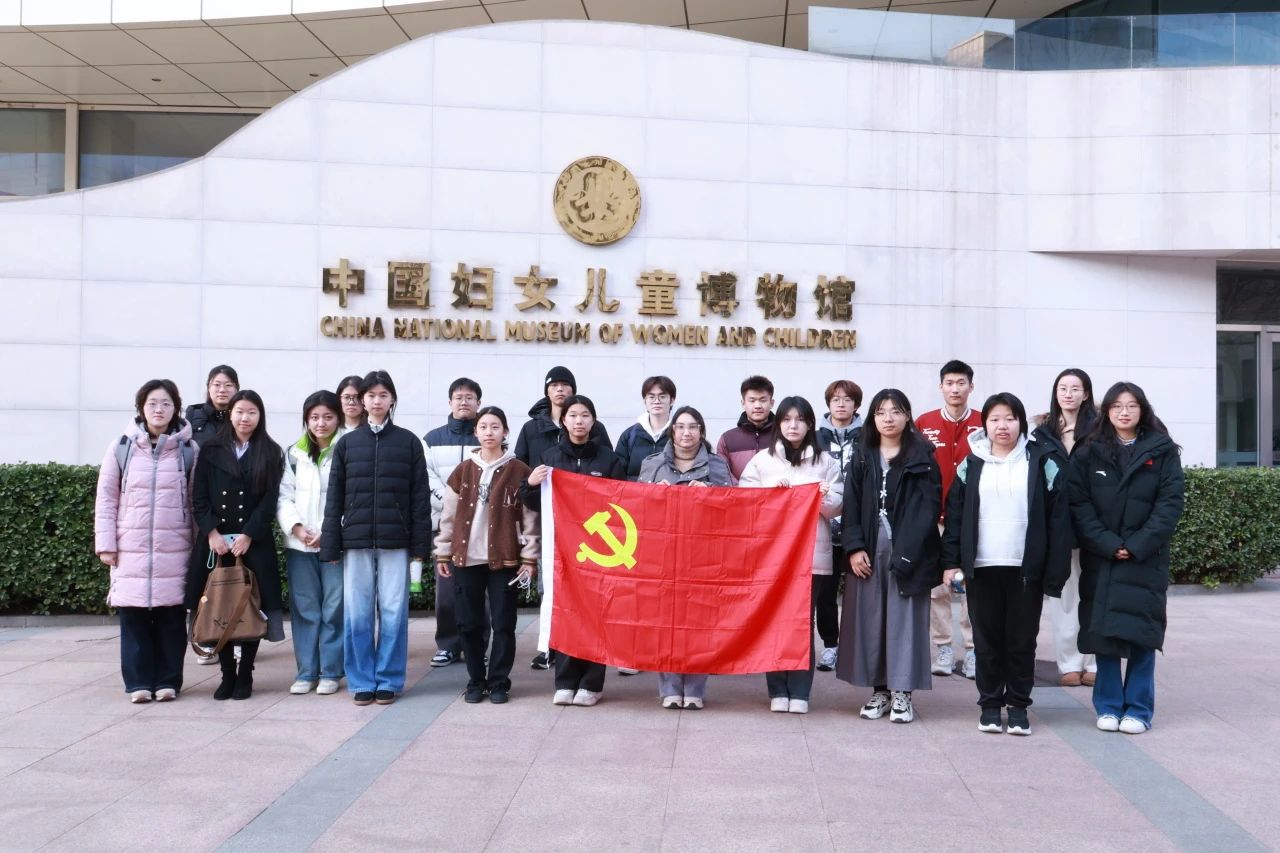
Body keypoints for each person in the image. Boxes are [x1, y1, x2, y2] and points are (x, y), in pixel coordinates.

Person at [942, 393, 1071, 736]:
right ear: (985, 424)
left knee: (1021, 641)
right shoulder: (972, 463)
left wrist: (1054, 569)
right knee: (986, 641)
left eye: (1010, 418)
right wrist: (951, 562)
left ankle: (1017, 707)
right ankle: (989, 706)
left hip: (1025, 568)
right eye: (995, 419)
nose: (1003, 426)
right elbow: (955, 516)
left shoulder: (1041, 461)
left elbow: (1059, 519)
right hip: (982, 566)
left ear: (1021, 423)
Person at [1068, 382, 1184, 736]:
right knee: (1103, 633)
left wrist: (1136, 545)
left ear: (1143, 409)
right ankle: (1107, 705)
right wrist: (1107, 543)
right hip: (1102, 557)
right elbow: (1078, 503)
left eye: (1132, 405)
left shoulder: (1162, 450)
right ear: (1106, 411)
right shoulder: (1088, 450)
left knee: (1142, 634)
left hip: (1145, 558)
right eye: (1117, 406)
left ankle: (1138, 709)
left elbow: (1170, 504)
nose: (1124, 412)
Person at [320, 370, 431, 707]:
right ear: (362, 400)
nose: (377, 401)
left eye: (383, 395)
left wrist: (420, 546)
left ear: (392, 399)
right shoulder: (347, 444)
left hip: (396, 540)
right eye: (371, 395)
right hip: (356, 541)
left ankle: (389, 678)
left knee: (394, 610)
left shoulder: (408, 442)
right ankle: (361, 680)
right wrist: (330, 542)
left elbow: (420, 498)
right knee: (357, 612)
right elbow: (334, 498)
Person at [836, 389, 941, 725]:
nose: (888, 418)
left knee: (904, 623)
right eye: (881, 412)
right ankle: (880, 691)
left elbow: (927, 509)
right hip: (868, 550)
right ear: (873, 418)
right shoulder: (862, 454)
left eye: (896, 411)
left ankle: (902, 694)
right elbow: (851, 503)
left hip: (908, 552)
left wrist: (907, 555)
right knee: (872, 622)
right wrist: (854, 548)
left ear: (907, 416)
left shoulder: (923, 455)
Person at [94, 379, 197, 703]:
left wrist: (199, 550)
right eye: (152, 403)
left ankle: (168, 681)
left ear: (175, 409)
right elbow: (106, 499)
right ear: (141, 407)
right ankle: (138, 682)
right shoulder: (121, 447)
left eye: (166, 403)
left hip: (175, 548)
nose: (158, 409)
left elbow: (197, 502)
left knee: (171, 619)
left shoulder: (188, 450)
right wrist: (106, 544)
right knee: (133, 618)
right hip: (131, 547)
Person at [739, 396, 843, 715]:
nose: (793, 425)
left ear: (810, 424)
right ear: (778, 423)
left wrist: (821, 497)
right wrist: (772, 491)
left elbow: (838, 506)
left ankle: (800, 691)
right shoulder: (762, 461)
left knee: (801, 623)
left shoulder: (826, 462)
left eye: (800, 419)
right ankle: (777, 690)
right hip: (772, 556)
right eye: (786, 419)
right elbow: (745, 502)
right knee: (774, 621)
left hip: (811, 555)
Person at [522, 394, 626, 706]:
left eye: (585, 415)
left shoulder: (610, 461)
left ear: (593, 421)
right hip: (562, 552)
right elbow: (532, 502)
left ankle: (592, 684)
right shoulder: (549, 458)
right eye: (573, 415)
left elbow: (624, 505)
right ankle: (565, 681)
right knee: (565, 613)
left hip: (600, 553)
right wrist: (530, 483)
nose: (579, 421)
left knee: (596, 615)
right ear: (563, 421)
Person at [434, 407, 539, 705]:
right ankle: (476, 680)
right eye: (483, 427)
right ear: (476, 432)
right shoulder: (463, 470)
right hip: (467, 559)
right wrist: (443, 553)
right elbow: (448, 517)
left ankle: (499, 682)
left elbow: (531, 520)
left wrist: (529, 558)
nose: (489, 432)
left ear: (505, 432)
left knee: (503, 624)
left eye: (495, 426)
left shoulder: (520, 470)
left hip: (505, 559)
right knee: (468, 624)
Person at [186, 390, 284, 701]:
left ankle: (246, 673)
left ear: (260, 416)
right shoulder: (211, 448)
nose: (245, 418)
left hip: (253, 542)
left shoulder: (270, 451)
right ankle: (227, 672)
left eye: (252, 412)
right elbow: (199, 496)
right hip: (216, 544)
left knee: (251, 605)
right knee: (219, 605)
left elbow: (270, 500)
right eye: (240, 411)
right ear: (230, 414)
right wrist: (212, 533)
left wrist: (249, 534)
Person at [637, 405, 733, 709]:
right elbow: (635, 508)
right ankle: (668, 688)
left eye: (693, 427)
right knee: (666, 621)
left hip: (703, 555)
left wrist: (710, 493)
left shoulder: (717, 466)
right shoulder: (652, 465)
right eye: (680, 427)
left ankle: (694, 688)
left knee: (698, 622)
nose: (686, 433)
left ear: (701, 432)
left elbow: (735, 508)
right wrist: (654, 495)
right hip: (663, 555)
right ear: (672, 431)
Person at [515, 365, 609, 670]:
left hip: (593, 530)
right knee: (553, 585)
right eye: (554, 384)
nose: (560, 389)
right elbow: (522, 471)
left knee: (590, 589)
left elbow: (612, 482)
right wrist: (531, 484)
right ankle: (552, 645)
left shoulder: (597, 432)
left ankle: (590, 645)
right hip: (553, 523)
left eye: (565, 384)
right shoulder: (532, 430)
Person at [1031, 368, 1099, 687]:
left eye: (1075, 388)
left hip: (1094, 522)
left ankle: (1095, 661)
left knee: (1095, 591)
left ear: (1086, 394)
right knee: (1063, 595)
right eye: (1062, 388)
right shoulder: (1042, 433)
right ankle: (1069, 663)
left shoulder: (1100, 430)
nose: (1068, 394)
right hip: (1056, 524)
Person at [277, 390, 346, 696]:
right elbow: (283, 496)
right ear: (306, 420)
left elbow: (353, 498)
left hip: (334, 544)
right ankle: (306, 672)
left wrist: (330, 531)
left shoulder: (348, 448)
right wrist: (295, 527)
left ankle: (331, 671)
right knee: (305, 608)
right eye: (315, 417)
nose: (321, 423)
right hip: (300, 544)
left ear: (338, 418)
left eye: (328, 417)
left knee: (334, 607)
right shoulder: (293, 453)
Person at [916, 359, 980, 679]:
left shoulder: (983, 423)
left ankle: (972, 650)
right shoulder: (924, 423)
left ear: (971, 386)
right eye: (949, 383)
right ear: (940, 387)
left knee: (969, 585)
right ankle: (942, 647)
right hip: (933, 518)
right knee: (937, 588)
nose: (955, 389)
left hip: (971, 519)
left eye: (961, 383)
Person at [424, 377, 487, 669]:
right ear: (449, 402)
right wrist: (453, 502)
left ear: (478, 403)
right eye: (459, 397)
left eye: (470, 397)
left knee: (480, 590)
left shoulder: (487, 434)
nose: (464, 402)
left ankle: (479, 645)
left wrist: (473, 506)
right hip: (446, 526)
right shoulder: (432, 439)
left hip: (481, 526)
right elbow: (426, 477)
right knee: (447, 591)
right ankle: (448, 645)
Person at [815, 379, 864, 672]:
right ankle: (830, 645)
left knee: (861, 592)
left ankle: (857, 647)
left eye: (847, 399)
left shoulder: (868, 435)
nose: (841, 404)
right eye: (836, 399)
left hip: (858, 526)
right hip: (825, 525)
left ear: (856, 404)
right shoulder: (815, 437)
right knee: (825, 593)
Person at [615, 376, 676, 480]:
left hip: (668, 490)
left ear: (672, 400)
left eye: (662, 396)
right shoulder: (630, 435)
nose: (657, 401)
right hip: (634, 490)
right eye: (651, 397)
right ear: (645, 400)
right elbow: (617, 473)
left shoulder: (679, 434)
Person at [715, 375, 775, 481]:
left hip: (776, 491)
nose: (757, 405)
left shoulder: (783, 436)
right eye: (752, 400)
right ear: (743, 403)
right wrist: (742, 488)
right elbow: (722, 473)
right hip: (738, 491)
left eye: (763, 400)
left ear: (771, 403)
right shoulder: (727, 439)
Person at [186, 365, 239, 446]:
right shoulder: (193, 413)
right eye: (217, 384)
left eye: (228, 385)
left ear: (236, 389)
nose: (222, 390)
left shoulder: (241, 416)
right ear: (209, 388)